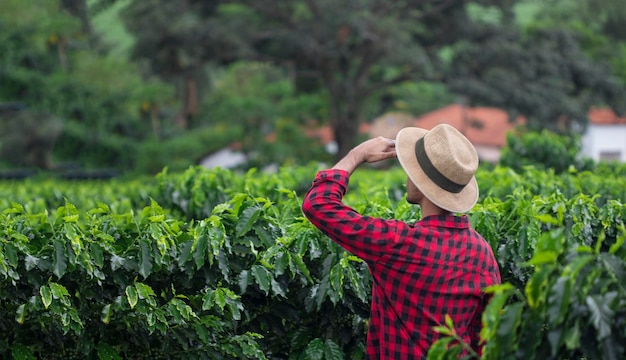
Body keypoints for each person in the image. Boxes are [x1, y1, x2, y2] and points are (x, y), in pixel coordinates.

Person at [301, 124, 501, 359]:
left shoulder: (396, 244)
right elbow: (484, 337)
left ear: (419, 182)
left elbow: (318, 204)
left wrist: (358, 154)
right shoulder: (481, 251)